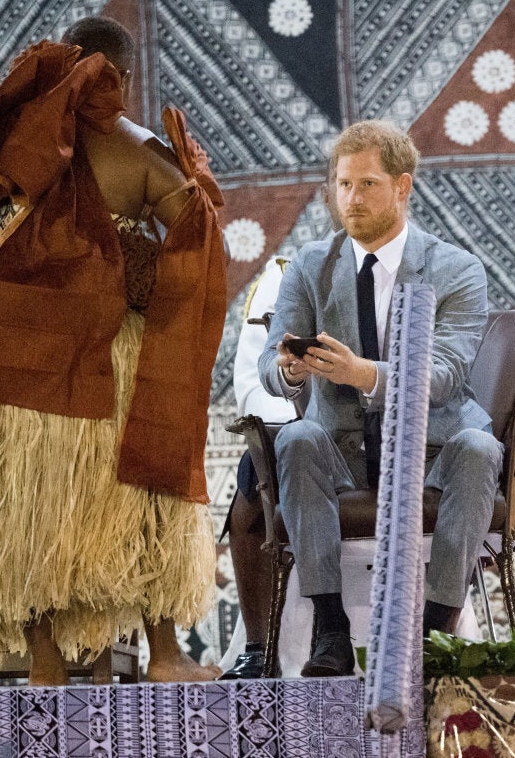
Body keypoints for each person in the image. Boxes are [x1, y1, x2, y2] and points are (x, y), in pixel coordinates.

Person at [0, 16, 227, 685]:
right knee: (135, 501)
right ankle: (162, 656)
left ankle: (48, 665)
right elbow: (197, 233)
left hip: (10, 369)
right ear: (124, 80)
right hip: (105, 368)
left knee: (38, 518)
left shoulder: (14, 140)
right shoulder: (135, 148)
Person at [258, 120, 502, 677]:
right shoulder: (310, 265)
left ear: (403, 186)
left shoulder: (457, 269)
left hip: (431, 448)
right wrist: (290, 371)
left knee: (479, 448)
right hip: (342, 449)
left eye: (367, 184)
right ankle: (330, 628)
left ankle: (436, 630)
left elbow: (444, 373)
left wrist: (361, 372)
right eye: (343, 184)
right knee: (295, 435)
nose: (351, 198)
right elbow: (271, 366)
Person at [220, 179, 341, 680]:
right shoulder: (282, 278)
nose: (354, 198)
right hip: (300, 435)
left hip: (381, 439)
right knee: (257, 470)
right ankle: (258, 648)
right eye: (344, 185)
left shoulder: (417, 274)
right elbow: (252, 380)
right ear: (332, 198)